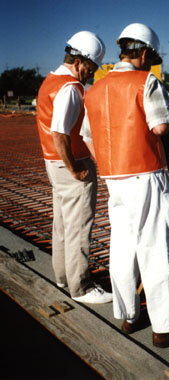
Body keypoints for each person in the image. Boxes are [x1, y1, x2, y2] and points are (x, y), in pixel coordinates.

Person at [82, 23, 169, 348]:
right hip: (147, 174)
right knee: (158, 249)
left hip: (114, 178)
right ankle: (163, 327)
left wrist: (109, 165)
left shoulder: (94, 89)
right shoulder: (146, 81)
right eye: (151, 57)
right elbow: (160, 127)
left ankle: (127, 316)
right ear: (143, 53)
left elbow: (87, 136)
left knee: (122, 248)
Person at [37, 31, 112, 304]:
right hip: (71, 164)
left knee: (63, 225)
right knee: (79, 226)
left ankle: (62, 277)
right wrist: (75, 169)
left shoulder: (50, 81)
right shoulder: (70, 87)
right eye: (91, 68)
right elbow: (60, 133)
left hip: (53, 163)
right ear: (80, 61)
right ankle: (81, 287)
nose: (91, 75)